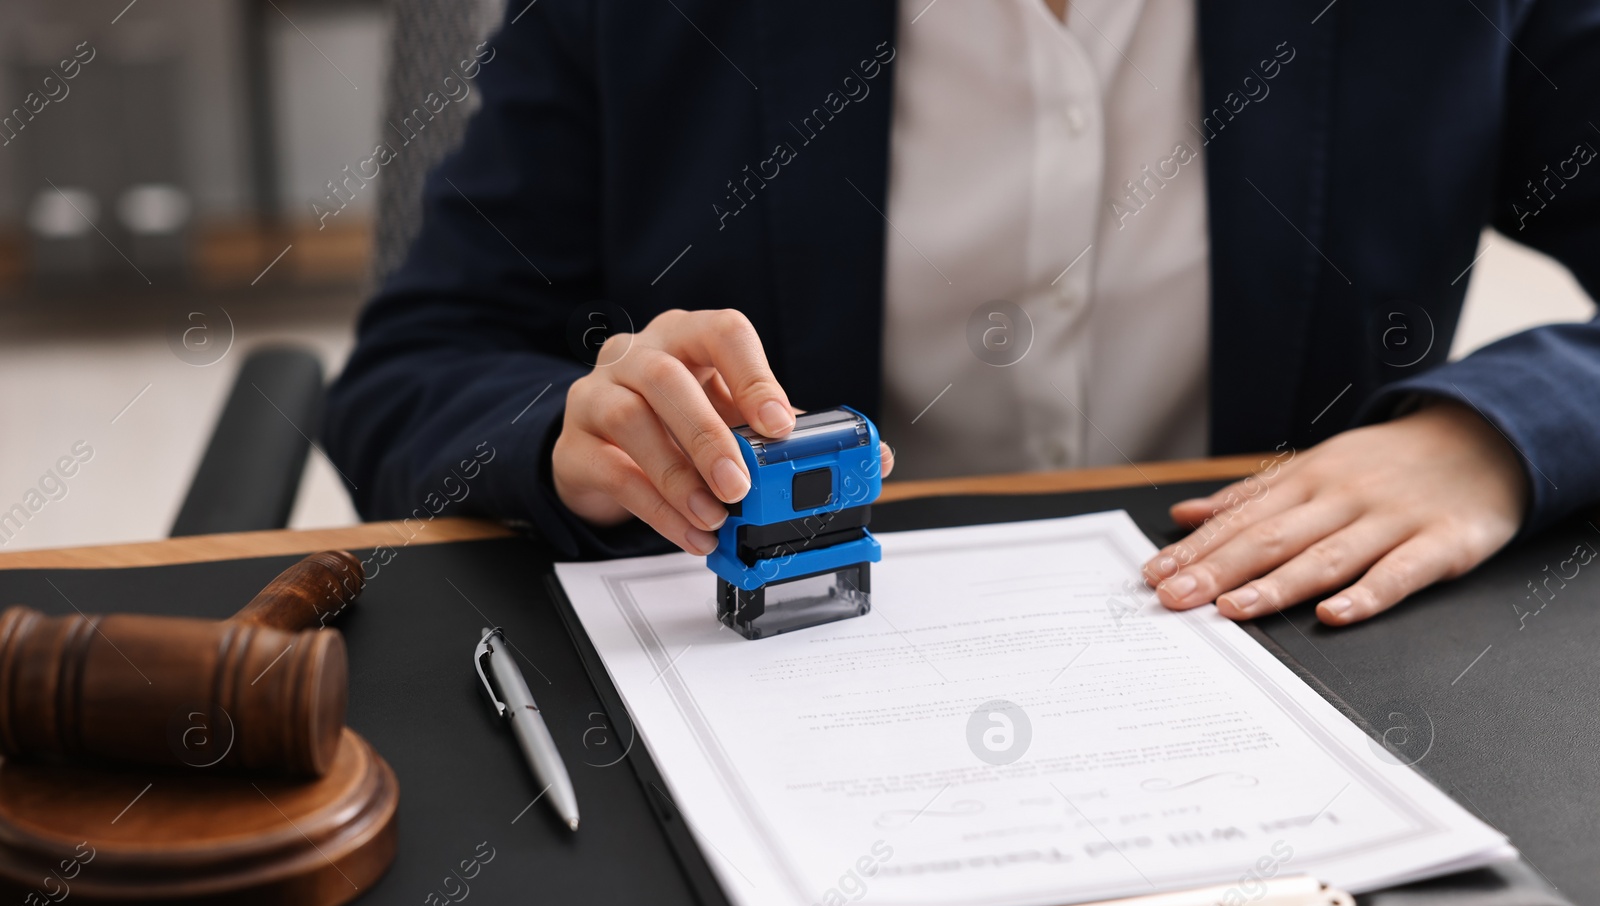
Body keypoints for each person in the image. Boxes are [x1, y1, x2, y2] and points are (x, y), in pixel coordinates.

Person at [324, 0, 1600, 627]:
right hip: (768, 686)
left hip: (1259, 653)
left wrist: (1486, 434)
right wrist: (570, 434)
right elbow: (415, 364)